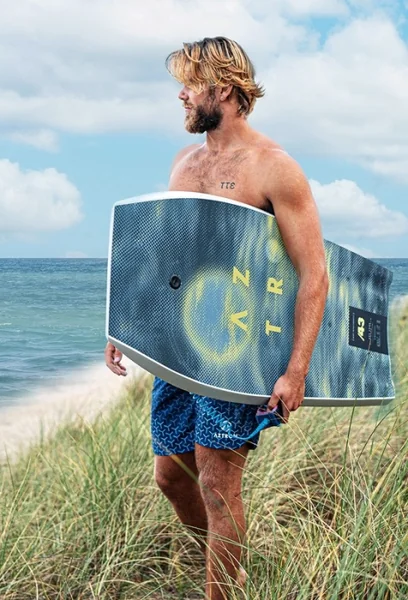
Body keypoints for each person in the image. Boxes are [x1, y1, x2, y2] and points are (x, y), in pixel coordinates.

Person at [104, 36, 329, 600]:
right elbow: (170, 258)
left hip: (239, 348)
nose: (181, 95)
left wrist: (296, 370)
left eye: (190, 84)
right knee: (171, 476)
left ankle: (221, 591)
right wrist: (126, 325)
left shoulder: (275, 168)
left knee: (217, 478)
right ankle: (228, 565)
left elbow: (314, 274)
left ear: (223, 89)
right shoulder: (184, 164)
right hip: (181, 347)